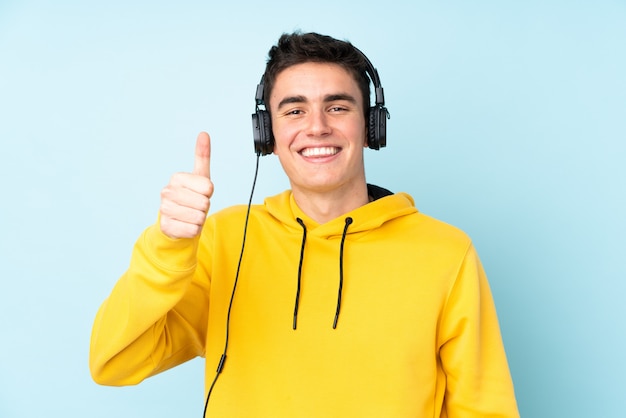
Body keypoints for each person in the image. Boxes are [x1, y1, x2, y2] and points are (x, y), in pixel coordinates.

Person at [90, 31, 519, 417]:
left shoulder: (444, 251)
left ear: (371, 126)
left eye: (337, 106)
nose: (317, 127)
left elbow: (485, 409)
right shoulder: (225, 241)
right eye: (294, 110)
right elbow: (114, 362)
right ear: (267, 134)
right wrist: (167, 247)